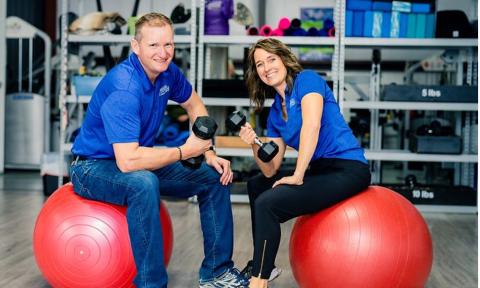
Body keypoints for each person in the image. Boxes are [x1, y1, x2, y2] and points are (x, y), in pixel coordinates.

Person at [69, 13, 248, 288]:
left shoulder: (167, 72)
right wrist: (184, 151)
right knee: (143, 182)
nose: (163, 53)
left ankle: (216, 272)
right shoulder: (124, 88)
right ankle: (151, 284)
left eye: (168, 45)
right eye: (154, 45)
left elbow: (195, 106)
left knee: (214, 177)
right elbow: (128, 162)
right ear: (136, 46)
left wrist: (208, 152)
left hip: (137, 158)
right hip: (91, 167)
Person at [239, 38, 371, 288]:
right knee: (258, 186)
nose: (266, 68)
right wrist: (253, 143)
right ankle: (268, 266)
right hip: (320, 170)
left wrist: (298, 175)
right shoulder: (276, 110)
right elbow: (271, 167)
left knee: (268, 204)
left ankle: (259, 279)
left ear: (284, 59)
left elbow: (312, 125)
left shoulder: (307, 80)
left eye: (271, 59)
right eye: (259, 64)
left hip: (348, 168)